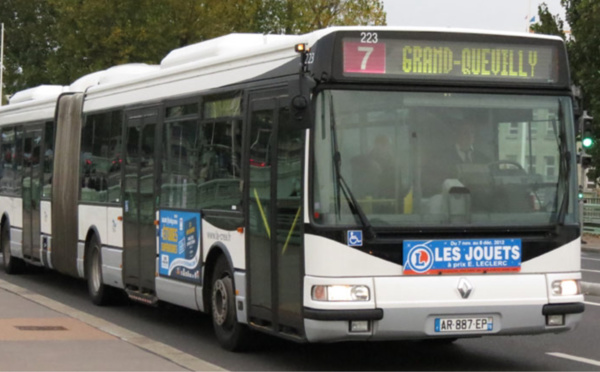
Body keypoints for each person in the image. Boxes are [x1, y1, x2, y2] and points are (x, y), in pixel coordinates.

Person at [423, 122, 488, 197]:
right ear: (457, 134)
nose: (469, 136)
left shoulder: (483, 159)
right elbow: (433, 182)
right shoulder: (442, 157)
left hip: (478, 201)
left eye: (472, 132)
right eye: (465, 132)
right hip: (451, 200)